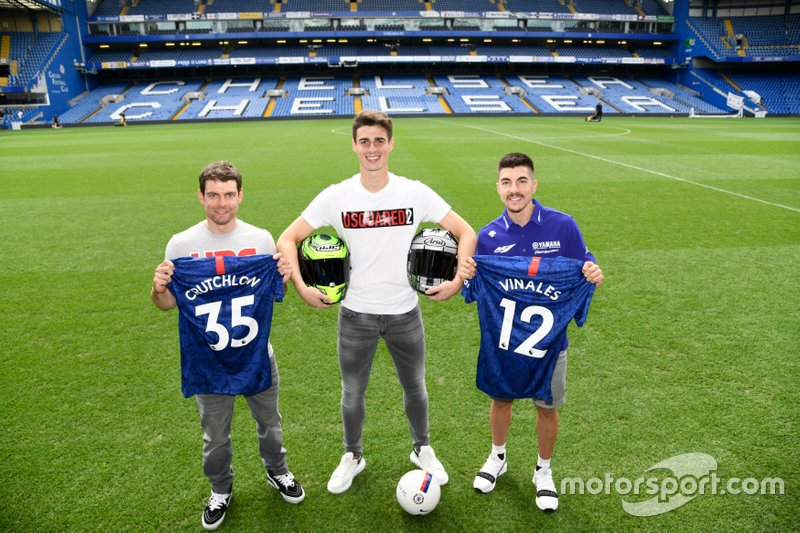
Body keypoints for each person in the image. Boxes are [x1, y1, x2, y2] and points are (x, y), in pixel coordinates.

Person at [276, 109, 477, 494]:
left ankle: (422, 448)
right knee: (352, 392)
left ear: (391, 144)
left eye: (379, 141)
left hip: (405, 312)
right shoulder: (338, 196)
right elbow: (287, 238)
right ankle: (353, 454)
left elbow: (465, 232)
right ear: (354, 145)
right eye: (365, 141)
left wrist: (457, 281)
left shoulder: (413, 192)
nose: (372, 149)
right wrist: (302, 288)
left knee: (415, 387)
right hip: (356, 314)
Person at [151, 160, 305, 530]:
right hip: (208, 362)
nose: (222, 203)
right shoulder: (181, 244)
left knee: (270, 425)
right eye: (214, 195)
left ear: (240, 195)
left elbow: (271, 294)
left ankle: (277, 471)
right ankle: (221, 489)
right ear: (201, 196)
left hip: (255, 355)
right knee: (215, 438)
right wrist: (157, 288)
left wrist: (281, 277)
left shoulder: (260, 239)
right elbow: (168, 303)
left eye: (229, 195)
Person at [462, 152, 603, 512]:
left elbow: (587, 264)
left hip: (550, 343)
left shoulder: (563, 226)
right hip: (505, 342)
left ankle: (543, 470)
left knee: (547, 406)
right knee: (501, 399)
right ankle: (498, 457)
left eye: (521, 181)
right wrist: (468, 273)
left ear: (534, 185)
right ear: (498, 188)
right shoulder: (488, 236)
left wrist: (592, 273)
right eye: (507, 182)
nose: (515, 190)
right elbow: (473, 289)